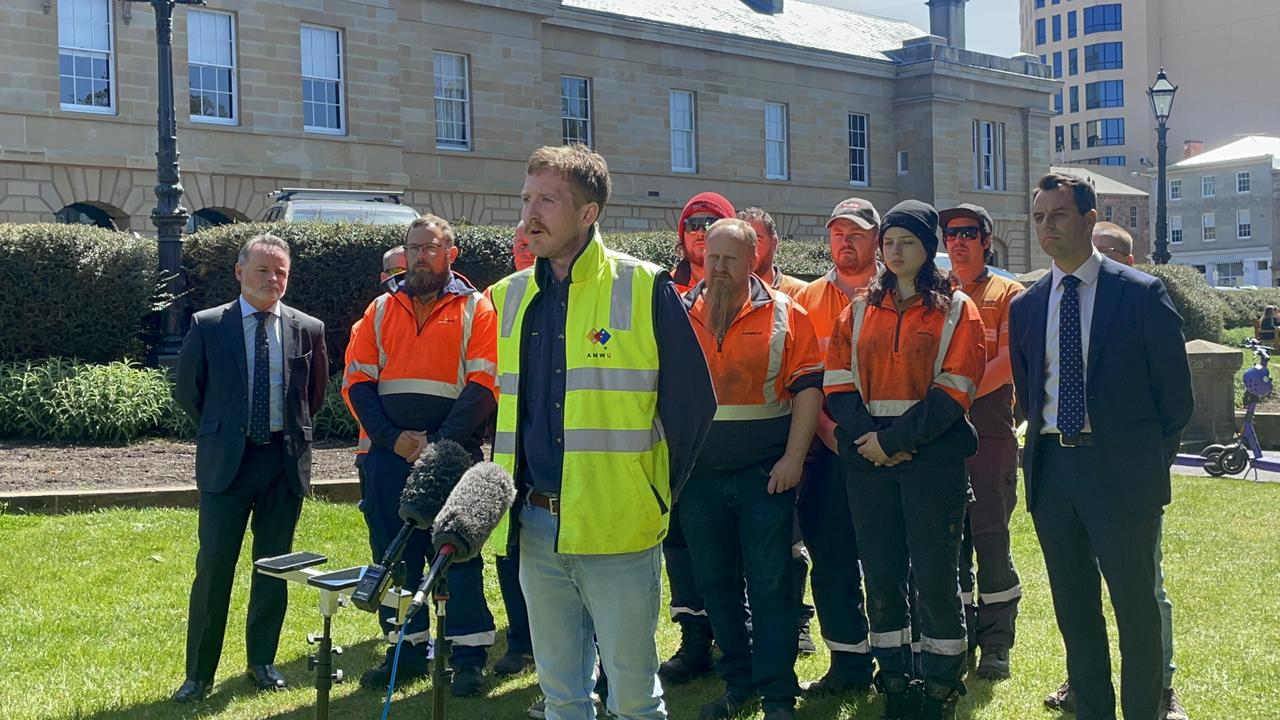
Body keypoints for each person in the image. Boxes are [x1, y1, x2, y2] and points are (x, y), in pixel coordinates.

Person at [489, 144, 716, 720]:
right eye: (526, 198)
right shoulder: (506, 297)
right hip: (536, 525)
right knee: (561, 698)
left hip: (620, 527)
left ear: (589, 213)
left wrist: (653, 492)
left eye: (547, 200)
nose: (529, 214)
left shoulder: (645, 286)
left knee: (635, 697)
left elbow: (693, 407)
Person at [1010, 173, 1193, 720]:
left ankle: (1144, 710)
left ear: (1090, 219)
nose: (1047, 226)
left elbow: (1175, 398)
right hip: (1054, 474)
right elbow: (1028, 390)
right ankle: (1090, 708)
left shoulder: (1138, 294)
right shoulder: (1027, 305)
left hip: (1121, 475)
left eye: (1058, 215)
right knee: (1074, 607)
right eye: (1039, 217)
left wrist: (1140, 466)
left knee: (1135, 608)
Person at [824, 200, 986, 719]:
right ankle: (894, 679)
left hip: (932, 463)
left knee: (937, 579)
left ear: (928, 249)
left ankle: (939, 687)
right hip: (869, 465)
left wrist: (894, 442)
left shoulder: (958, 310)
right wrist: (871, 439)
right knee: (883, 575)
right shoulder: (857, 310)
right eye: (889, 242)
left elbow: (954, 389)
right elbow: (837, 382)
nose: (894, 252)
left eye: (906, 243)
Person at [343, 215, 500, 696]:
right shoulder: (379, 309)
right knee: (395, 555)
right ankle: (407, 649)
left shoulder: (478, 307)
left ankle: (469, 655)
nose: (418, 257)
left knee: (458, 552)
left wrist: (435, 445)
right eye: (412, 248)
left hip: (453, 454)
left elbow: (484, 384)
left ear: (451, 254)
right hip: (388, 456)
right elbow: (356, 382)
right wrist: (392, 439)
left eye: (429, 248)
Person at [171, 233, 329, 703]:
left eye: (281, 271)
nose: (272, 279)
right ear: (240, 272)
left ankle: (261, 662)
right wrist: (222, 429)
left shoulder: (308, 328)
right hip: (227, 465)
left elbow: (313, 395)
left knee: (274, 568)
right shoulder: (209, 325)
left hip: (282, 464)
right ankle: (198, 674)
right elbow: (188, 390)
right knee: (214, 568)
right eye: (263, 269)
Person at [678, 219, 823, 720]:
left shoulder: (789, 315)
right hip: (699, 480)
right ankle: (739, 684)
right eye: (711, 257)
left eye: (729, 260)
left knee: (770, 587)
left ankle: (779, 694)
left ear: (753, 259)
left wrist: (793, 459)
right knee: (716, 586)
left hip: (766, 476)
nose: (718, 268)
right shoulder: (678, 313)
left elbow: (808, 391)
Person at [789, 198, 882, 695]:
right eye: (837, 232)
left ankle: (898, 661)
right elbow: (804, 378)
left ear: (876, 238)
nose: (845, 241)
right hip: (828, 451)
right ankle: (847, 665)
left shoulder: (901, 291)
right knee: (832, 559)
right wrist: (830, 433)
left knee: (894, 561)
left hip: (892, 449)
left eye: (856, 232)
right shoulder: (806, 299)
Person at [939, 203, 1024, 680]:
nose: (958, 241)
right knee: (950, 544)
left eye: (969, 232)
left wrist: (954, 393)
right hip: (941, 438)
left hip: (989, 433)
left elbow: (1011, 358)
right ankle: (961, 635)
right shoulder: (934, 291)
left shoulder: (1008, 292)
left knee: (991, 539)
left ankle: (996, 644)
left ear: (986, 240)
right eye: (950, 233)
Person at [660, 190, 737, 684]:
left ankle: (740, 641)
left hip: (739, 450)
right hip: (676, 449)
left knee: (737, 554)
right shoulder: (661, 291)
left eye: (712, 223)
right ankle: (694, 642)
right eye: (693, 222)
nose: (700, 230)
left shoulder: (757, 290)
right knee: (681, 550)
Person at [671, 191, 736, 294]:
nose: (700, 233)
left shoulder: (753, 291)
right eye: (692, 225)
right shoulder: (666, 288)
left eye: (710, 224)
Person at [738, 207, 809, 296]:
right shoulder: (726, 293)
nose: (749, 248)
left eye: (757, 240)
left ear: (774, 243)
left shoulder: (801, 293)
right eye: (742, 240)